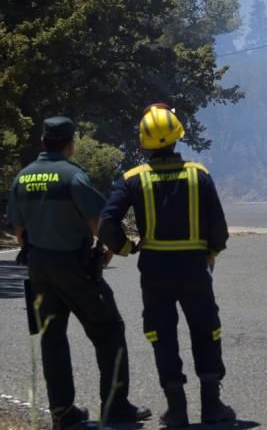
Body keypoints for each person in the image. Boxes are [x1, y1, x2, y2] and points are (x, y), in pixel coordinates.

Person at [7, 116, 151, 430]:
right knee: (108, 329)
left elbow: (19, 231)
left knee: (52, 338)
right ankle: (115, 407)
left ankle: (62, 412)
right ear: (70, 143)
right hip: (73, 265)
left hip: (38, 267)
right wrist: (114, 248)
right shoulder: (73, 176)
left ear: (44, 141)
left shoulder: (23, 177)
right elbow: (99, 222)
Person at [98, 103, 236, 428]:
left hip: (156, 270)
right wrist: (210, 252)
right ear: (177, 137)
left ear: (144, 142)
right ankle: (212, 406)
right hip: (194, 268)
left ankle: (177, 410)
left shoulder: (132, 180)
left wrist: (127, 247)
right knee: (206, 331)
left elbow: (107, 225)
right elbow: (220, 229)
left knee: (162, 334)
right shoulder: (198, 175)